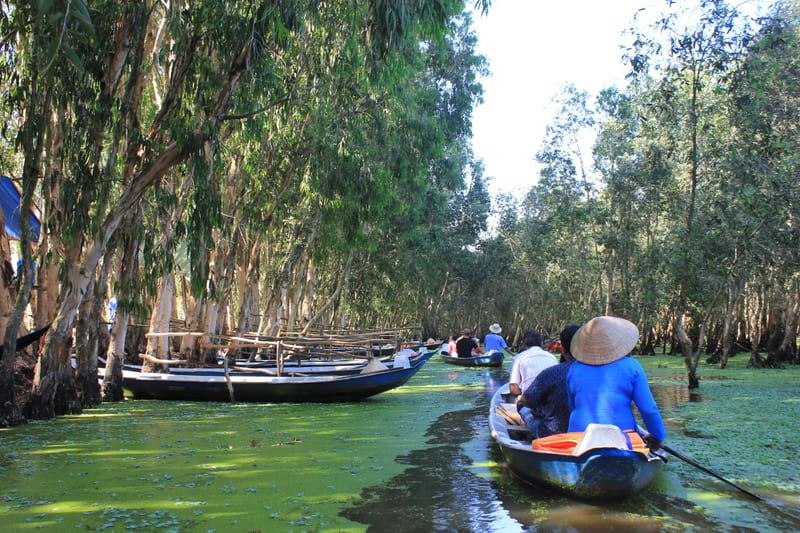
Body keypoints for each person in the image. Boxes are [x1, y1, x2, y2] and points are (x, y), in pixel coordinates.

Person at [567, 316, 667, 447]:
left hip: (578, 436)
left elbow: (572, 405)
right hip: (620, 436)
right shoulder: (632, 366)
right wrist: (658, 437)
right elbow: (648, 409)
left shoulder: (574, 368)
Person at [518, 324, 581, 438]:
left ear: (563, 348)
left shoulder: (552, 373)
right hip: (586, 432)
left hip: (552, 434)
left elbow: (526, 401)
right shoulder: (600, 372)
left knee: (522, 407)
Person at [508, 330, 558, 396]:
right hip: (552, 398)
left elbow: (514, 389)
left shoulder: (519, 357)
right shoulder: (552, 357)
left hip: (530, 400)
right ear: (541, 343)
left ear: (524, 343)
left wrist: (520, 394)